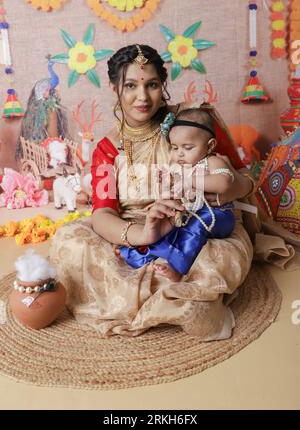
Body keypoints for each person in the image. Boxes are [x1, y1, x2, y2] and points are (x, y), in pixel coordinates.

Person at [49, 43, 257, 340]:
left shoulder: (192, 123)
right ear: (114, 88)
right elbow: (104, 212)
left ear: (164, 85)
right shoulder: (108, 149)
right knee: (69, 241)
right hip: (133, 227)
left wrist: (227, 186)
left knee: (219, 256)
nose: (142, 97)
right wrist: (144, 235)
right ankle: (166, 287)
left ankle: (157, 285)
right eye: (131, 85)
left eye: (152, 85)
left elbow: (244, 180)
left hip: (192, 224)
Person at [118, 105, 236, 282]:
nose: (180, 153)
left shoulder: (212, 161)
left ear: (209, 145)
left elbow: (224, 183)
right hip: (189, 213)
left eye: (188, 147)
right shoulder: (178, 166)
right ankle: (139, 256)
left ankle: (178, 269)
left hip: (218, 215)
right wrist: (163, 198)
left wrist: (190, 179)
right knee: (167, 229)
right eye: (174, 147)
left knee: (194, 226)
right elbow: (171, 193)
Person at [15, 59, 69, 160]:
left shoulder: (37, 111)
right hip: (47, 154)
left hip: (37, 155)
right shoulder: (51, 109)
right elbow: (54, 139)